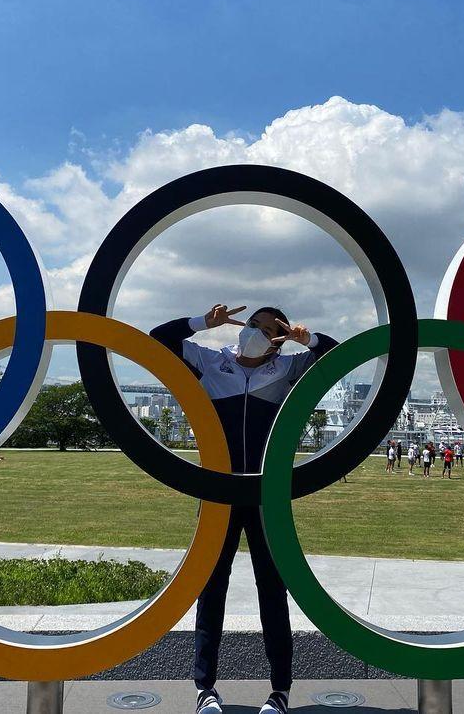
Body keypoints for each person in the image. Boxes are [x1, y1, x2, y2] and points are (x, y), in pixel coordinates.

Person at [151, 303, 338, 714]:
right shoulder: (211, 361)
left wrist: (310, 340)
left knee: (272, 590)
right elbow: (154, 341)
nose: (255, 330)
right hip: (218, 491)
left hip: (265, 495)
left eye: (269, 329)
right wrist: (202, 322)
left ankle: (280, 691)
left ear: (280, 339)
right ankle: (205, 690)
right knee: (211, 587)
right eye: (253, 323)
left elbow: (340, 359)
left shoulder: (288, 368)